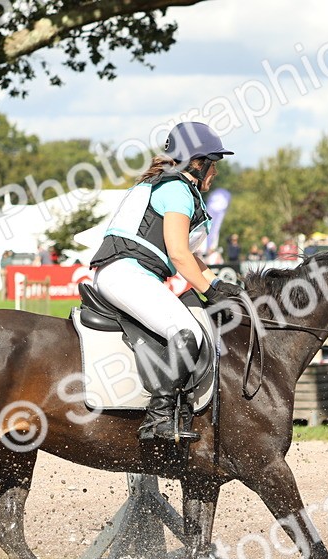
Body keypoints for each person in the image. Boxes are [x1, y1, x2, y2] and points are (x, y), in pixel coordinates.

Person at [90, 121, 244, 442]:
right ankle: (159, 418)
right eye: (212, 164)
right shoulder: (176, 190)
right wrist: (212, 291)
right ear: (196, 163)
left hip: (129, 272)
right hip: (127, 273)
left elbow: (191, 257)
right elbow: (178, 254)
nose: (215, 173)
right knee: (186, 332)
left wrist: (223, 288)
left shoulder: (171, 186)